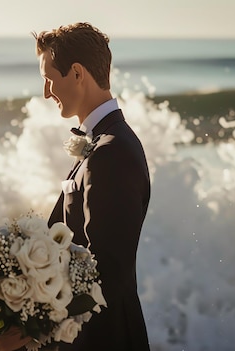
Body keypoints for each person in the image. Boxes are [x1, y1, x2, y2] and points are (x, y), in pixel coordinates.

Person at [37, 22, 151, 350]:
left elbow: (106, 270)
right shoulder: (105, 141)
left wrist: (34, 320)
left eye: (48, 79)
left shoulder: (112, 150)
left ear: (76, 73)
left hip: (103, 337)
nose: (46, 92)